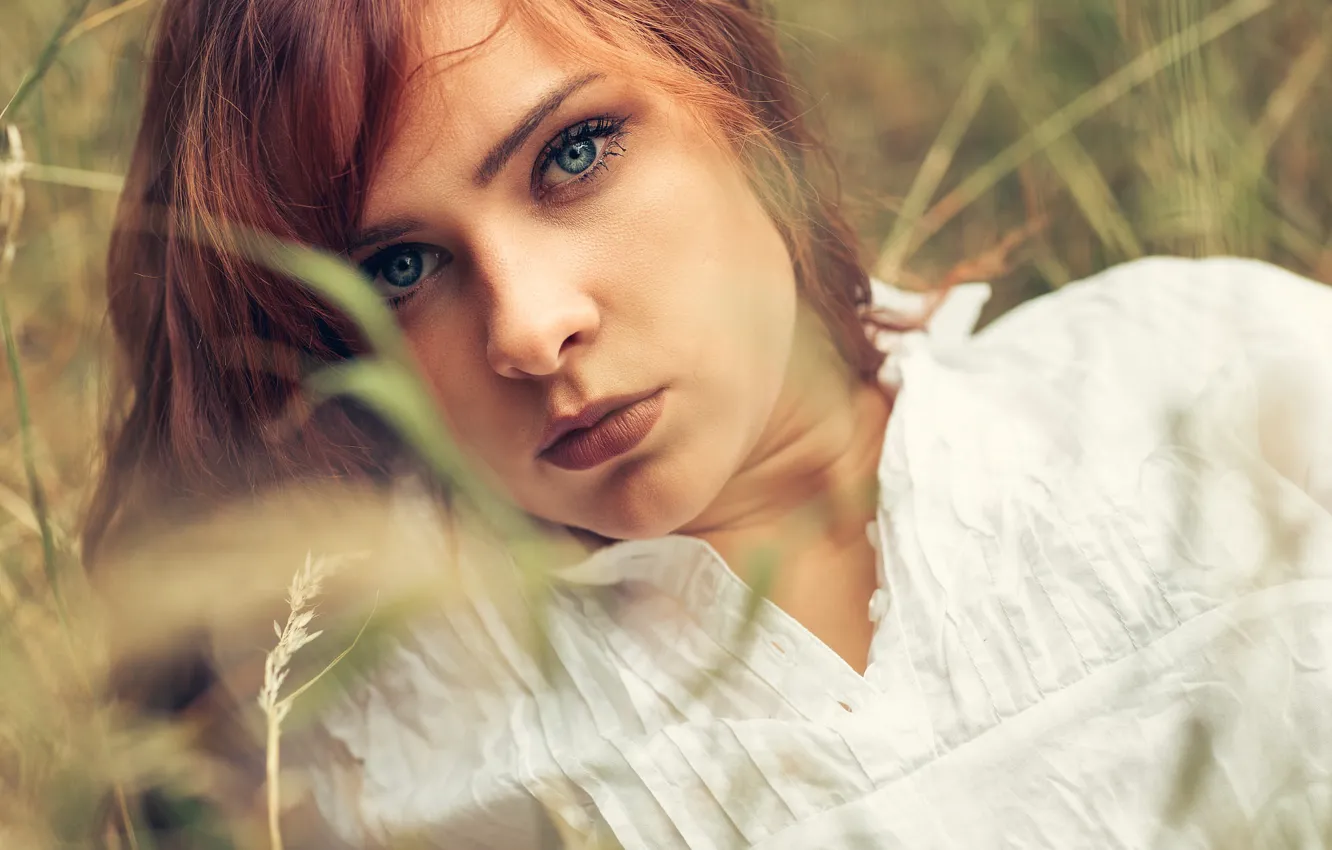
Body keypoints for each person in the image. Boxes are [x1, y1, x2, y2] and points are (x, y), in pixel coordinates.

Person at [88, 0, 1332, 846]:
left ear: (737, 104)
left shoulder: (1207, 375)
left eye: (575, 154)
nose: (529, 328)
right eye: (401, 268)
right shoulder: (364, 732)